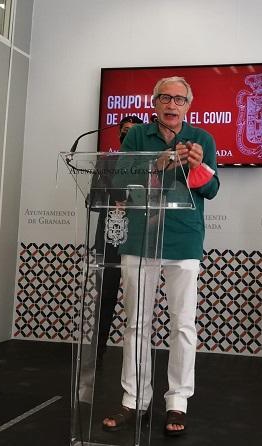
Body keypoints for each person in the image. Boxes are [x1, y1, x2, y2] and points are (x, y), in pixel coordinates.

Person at [103, 76, 220, 436]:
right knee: (136, 322)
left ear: (189, 104)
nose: (172, 105)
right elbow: (121, 181)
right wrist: (161, 164)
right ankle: (133, 399)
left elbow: (212, 189)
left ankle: (177, 403)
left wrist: (195, 167)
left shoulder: (202, 139)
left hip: (183, 240)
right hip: (140, 238)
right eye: (165, 98)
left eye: (179, 99)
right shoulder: (137, 136)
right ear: (154, 103)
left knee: (183, 324)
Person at [93, 115, 144, 368]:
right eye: (124, 131)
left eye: (134, 131)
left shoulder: (149, 161)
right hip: (109, 238)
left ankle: (137, 359)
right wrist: (112, 201)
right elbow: (92, 200)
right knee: (106, 298)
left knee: (139, 300)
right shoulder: (107, 161)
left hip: (139, 238)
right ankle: (98, 352)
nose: (128, 135)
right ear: (119, 135)